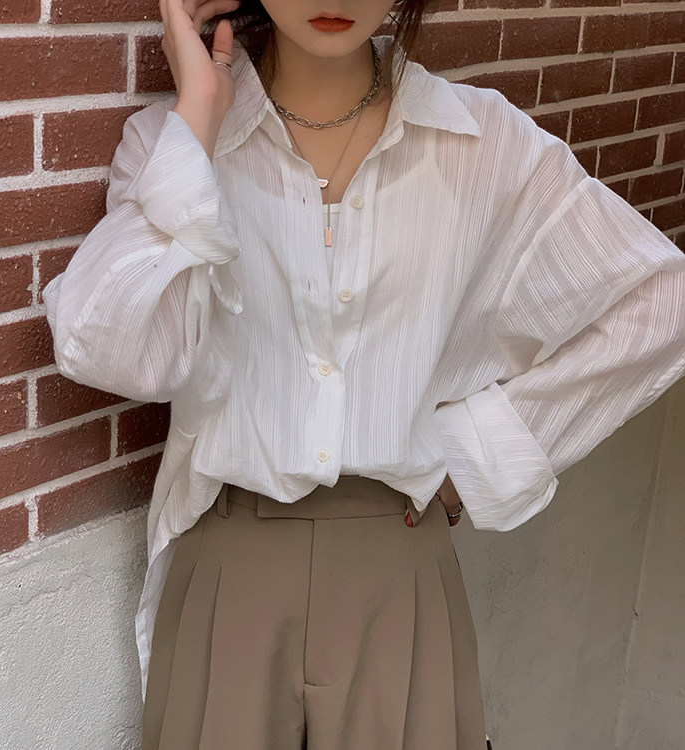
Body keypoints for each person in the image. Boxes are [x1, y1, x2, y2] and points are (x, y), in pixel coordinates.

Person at [42, 0, 685, 747]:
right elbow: (106, 349)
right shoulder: (175, 144)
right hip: (228, 567)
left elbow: (660, 302)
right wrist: (197, 124)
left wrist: (475, 452)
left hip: (397, 570)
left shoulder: (484, 144)